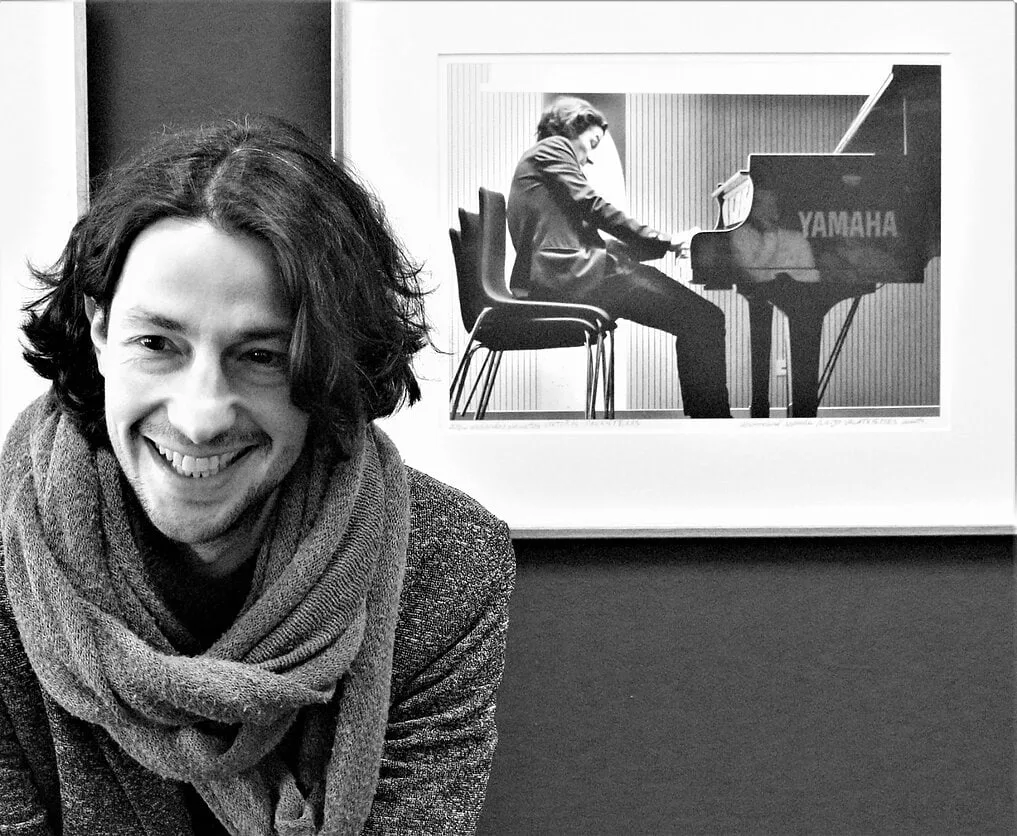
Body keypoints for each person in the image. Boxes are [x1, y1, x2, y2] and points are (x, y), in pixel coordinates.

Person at [0, 116, 515, 834]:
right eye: (157, 343)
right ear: (99, 329)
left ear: (329, 365)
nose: (200, 418)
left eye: (262, 357)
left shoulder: (442, 560)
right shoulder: (6, 559)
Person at [507, 96, 731, 418]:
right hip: (572, 277)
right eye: (591, 143)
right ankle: (712, 424)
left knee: (699, 318)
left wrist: (666, 245)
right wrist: (666, 241)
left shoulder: (541, 162)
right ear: (571, 125)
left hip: (570, 275)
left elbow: (593, 234)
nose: (587, 159)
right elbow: (594, 206)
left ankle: (708, 421)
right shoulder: (553, 148)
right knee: (704, 319)